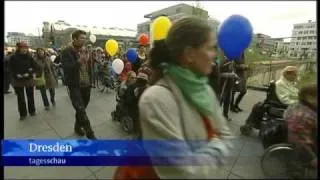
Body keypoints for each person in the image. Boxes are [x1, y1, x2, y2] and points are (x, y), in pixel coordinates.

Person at [114, 17, 233, 179]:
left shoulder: (204, 90)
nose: (215, 55)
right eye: (211, 47)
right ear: (190, 54)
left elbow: (225, 133)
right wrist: (218, 146)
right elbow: (182, 171)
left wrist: (216, 144)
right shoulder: (156, 99)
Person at [61, 30, 96, 139]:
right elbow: (67, 70)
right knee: (80, 109)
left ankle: (77, 126)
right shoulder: (66, 51)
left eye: (85, 38)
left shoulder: (85, 50)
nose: (84, 40)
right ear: (74, 39)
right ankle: (91, 135)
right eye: (81, 38)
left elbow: (88, 67)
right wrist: (79, 62)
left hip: (86, 84)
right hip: (75, 85)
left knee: (82, 109)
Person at [285, 84, 317, 178]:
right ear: (308, 97)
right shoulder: (305, 113)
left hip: (300, 134)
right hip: (302, 141)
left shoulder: (297, 105)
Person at [9, 42, 38, 120]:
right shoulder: (13, 57)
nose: (25, 49)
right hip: (18, 80)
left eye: (26, 48)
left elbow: (35, 67)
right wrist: (16, 74)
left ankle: (32, 111)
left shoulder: (30, 57)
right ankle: (23, 114)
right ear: (19, 49)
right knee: (20, 98)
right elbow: (10, 68)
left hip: (28, 79)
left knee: (30, 96)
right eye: (23, 48)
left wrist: (29, 73)